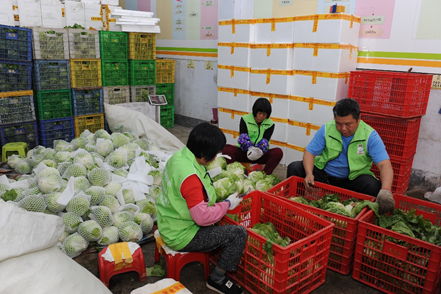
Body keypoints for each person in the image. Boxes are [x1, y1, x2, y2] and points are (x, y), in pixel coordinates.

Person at [156, 122, 247, 294]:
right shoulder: (190, 178)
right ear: (204, 154)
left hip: (168, 222)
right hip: (182, 235)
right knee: (238, 234)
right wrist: (227, 204)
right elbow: (202, 217)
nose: (216, 156)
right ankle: (217, 279)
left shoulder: (180, 157)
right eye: (215, 154)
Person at [286, 98, 395, 214]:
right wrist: (309, 173)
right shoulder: (327, 129)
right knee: (295, 167)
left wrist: (386, 190)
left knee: (374, 187)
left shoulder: (370, 135)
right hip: (326, 175)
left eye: (348, 124)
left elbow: (385, 165)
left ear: (359, 119)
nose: (343, 129)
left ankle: (360, 217)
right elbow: (309, 152)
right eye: (339, 123)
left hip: (352, 179)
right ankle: (296, 205)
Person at [222, 98, 283, 175]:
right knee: (226, 149)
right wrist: (249, 148)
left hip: (260, 154)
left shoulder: (270, 124)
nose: (261, 116)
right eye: (259, 113)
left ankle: (264, 175)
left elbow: (265, 140)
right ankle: (234, 173)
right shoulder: (245, 119)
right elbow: (243, 136)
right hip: (245, 152)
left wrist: (258, 150)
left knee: (278, 152)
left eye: (264, 114)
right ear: (255, 111)